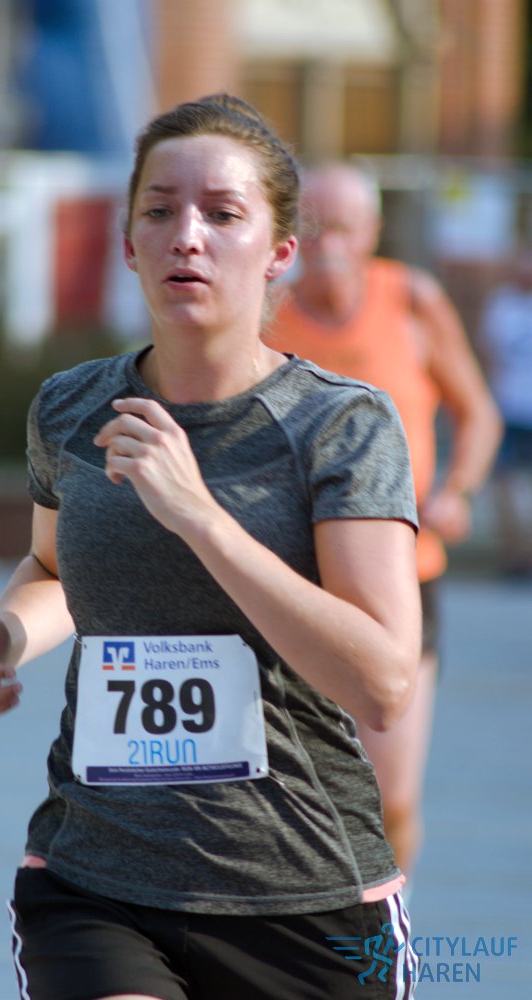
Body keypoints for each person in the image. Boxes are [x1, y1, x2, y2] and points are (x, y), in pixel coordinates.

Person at [0, 96, 422, 1000]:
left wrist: (200, 516)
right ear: (128, 244)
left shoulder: (341, 424)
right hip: (93, 878)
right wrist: (8, 639)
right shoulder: (70, 407)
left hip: (305, 898)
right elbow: (54, 571)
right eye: (160, 211)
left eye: (222, 213)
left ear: (280, 250)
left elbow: (382, 683)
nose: (187, 237)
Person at [264, 162, 502, 884]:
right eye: (313, 228)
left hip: (402, 578)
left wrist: (457, 490)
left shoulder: (412, 301)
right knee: (292, 795)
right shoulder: (267, 311)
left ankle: (384, 920)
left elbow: (478, 414)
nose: (327, 245)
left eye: (343, 228)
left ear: (373, 232)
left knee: (391, 797)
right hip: (292, 580)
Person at [478, 248, 532, 576]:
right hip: (509, 407)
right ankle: (515, 552)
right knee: (504, 482)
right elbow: (490, 353)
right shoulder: (502, 304)